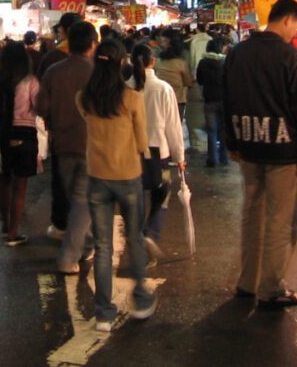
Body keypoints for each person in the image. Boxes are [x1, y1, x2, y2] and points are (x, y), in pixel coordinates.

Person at [222, 0, 297, 308]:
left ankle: (248, 281)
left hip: (248, 145)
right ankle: (272, 287)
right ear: (289, 19)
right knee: (280, 219)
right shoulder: (292, 58)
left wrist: (232, 141)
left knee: (253, 213)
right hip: (283, 151)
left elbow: (227, 100)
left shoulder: (238, 54)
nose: (295, 32)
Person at [77, 38, 156, 331]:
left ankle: (103, 314)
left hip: (97, 178)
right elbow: (143, 141)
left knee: (102, 246)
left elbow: (86, 116)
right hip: (128, 176)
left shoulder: (84, 98)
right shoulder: (132, 98)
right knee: (134, 238)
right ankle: (140, 297)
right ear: (122, 64)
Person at [36, 21, 98, 275]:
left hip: (62, 144)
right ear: (93, 44)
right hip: (92, 144)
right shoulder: (99, 72)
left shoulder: (53, 71)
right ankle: (69, 256)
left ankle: (86, 244)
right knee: (83, 201)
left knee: (77, 199)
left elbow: (41, 106)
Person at [128, 43, 185, 262]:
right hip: (158, 151)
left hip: (131, 152)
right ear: (153, 61)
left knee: (136, 198)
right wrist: (179, 156)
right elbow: (173, 126)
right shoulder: (163, 89)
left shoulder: (125, 87)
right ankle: (150, 233)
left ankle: (139, 243)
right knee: (162, 193)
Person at [37, 11, 85, 240]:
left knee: (62, 184)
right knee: (86, 189)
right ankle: (83, 235)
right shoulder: (97, 65)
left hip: (61, 136)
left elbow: (40, 103)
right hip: (93, 139)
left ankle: (61, 226)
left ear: (64, 31)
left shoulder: (52, 62)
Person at [0, 41, 40, 246]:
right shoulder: (30, 81)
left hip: (0, 134)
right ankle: (13, 232)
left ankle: (5, 224)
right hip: (24, 134)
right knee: (20, 187)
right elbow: (38, 106)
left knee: (3, 182)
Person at [196, 37, 228, 167]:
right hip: (224, 100)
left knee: (211, 130)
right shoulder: (225, 62)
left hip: (209, 100)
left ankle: (212, 159)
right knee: (224, 130)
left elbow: (199, 80)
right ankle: (224, 158)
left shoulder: (203, 62)